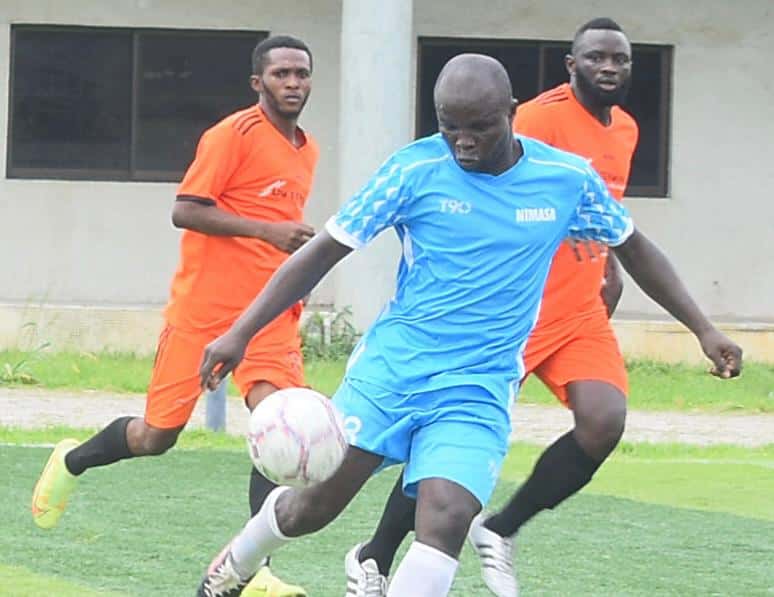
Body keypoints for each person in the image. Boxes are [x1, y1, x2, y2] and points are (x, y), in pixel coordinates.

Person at [194, 53, 741, 597]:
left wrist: (703, 329)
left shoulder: (565, 180)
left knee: (447, 517)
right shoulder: (413, 170)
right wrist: (241, 332)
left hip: (478, 386)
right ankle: (236, 563)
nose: (463, 142)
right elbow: (323, 251)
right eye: (449, 126)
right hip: (392, 372)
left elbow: (637, 250)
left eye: (479, 127)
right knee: (314, 506)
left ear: (511, 111)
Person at [342, 17, 650, 596]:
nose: (609, 68)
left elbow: (596, 211)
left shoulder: (625, 130)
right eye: (596, 58)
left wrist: (609, 267)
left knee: (604, 421)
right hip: (506, 313)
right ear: (570, 65)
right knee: (445, 439)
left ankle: (502, 529)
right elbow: (490, 179)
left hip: (578, 308)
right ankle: (377, 554)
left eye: (620, 60)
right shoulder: (530, 119)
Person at [31, 35, 317, 597]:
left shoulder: (307, 148)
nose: (293, 83)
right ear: (258, 83)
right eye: (281, 74)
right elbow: (185, 210)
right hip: (204, 313)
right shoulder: (230, 137)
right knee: (156, 435)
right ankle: (74, 459)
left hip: (267, 317)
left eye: (301, 74)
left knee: (279, 431)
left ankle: (252, 570)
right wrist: (268, 231)